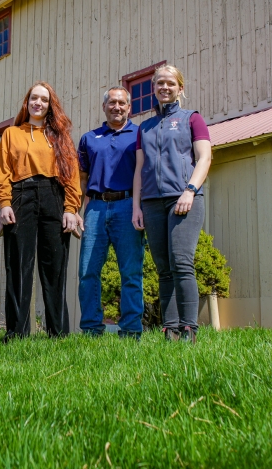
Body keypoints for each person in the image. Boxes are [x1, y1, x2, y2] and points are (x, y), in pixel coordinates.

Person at [132, 65, 212, 343]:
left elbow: (204, 158)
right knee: (163, 268)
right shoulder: (145, 127)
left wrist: (190, 190)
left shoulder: (192, 119)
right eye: (159, 84)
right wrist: (136, 206)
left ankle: (189, 329)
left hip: (184, 200)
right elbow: (139, 168)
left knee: (181, 263)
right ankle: (170, 330)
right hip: (152, 203)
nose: (164, 87)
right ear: (154, 88)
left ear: (180, 88)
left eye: (170, 83)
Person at [0, 81, 81, 338]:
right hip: (20, 195)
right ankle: (17, 334)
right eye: (34, 98)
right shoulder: (12, 133)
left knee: (54, 267)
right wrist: (4, 203)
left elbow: (72, 175)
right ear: (27, 101)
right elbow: (2, 172)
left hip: (54, 196)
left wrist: (71, 208)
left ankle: (59, 334)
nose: (38, 103)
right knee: (18, 266)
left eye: (44, 99)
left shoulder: (61, 136)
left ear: (50, 105)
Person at [77, 86, 145, 339]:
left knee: (130, 271)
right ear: (103, 106)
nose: (117, 107)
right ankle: (92, 329)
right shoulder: (89, 138)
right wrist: (79, 209)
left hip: (128, 205)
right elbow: (82, 178)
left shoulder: (140, 135)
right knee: (87, 271)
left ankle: (131, 330)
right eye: (112, 102)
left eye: (122, 103)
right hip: (94, 207)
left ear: (129, 107)